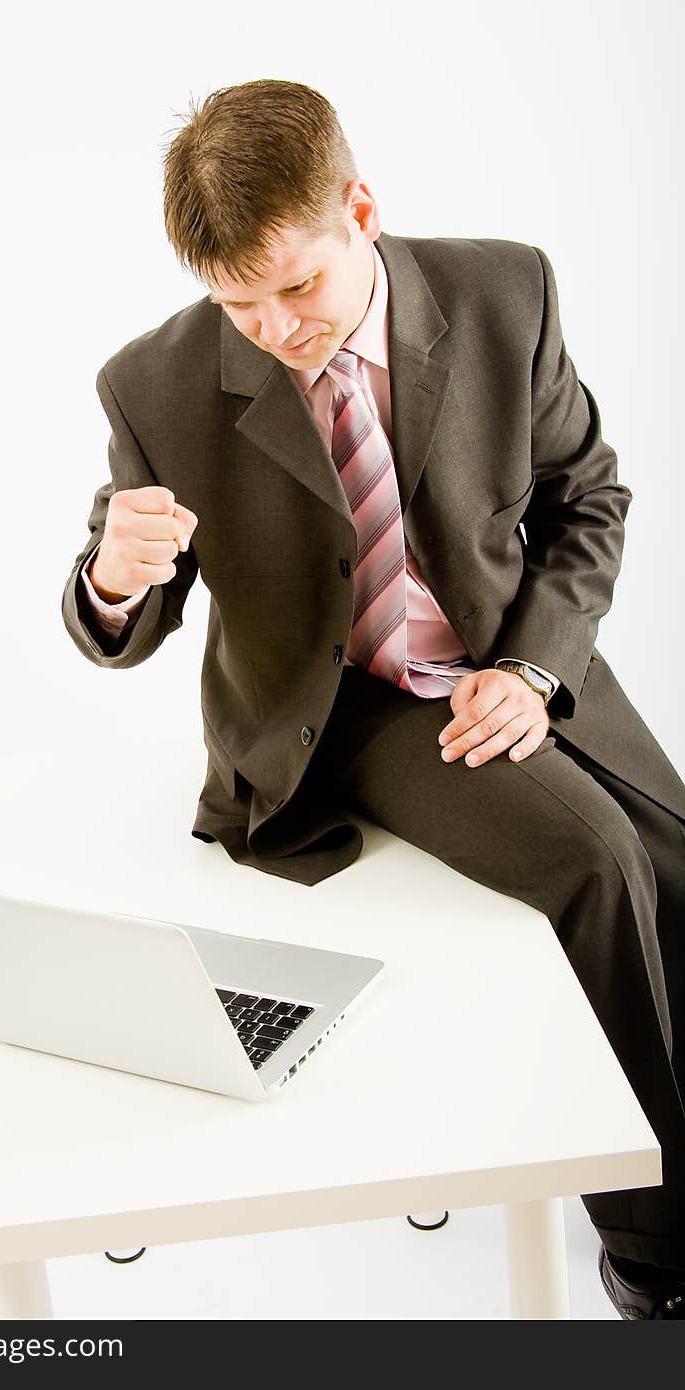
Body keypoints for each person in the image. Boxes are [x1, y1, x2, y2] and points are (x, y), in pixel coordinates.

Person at [61, 78, 685, 1318]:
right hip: (343, 706)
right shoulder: (154, 384)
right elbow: (122, 623)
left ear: (360, 209)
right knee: (596, 861)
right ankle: (657, 1246)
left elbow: (586, 500)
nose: (276, 327)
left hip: (511, 656)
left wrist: (533, 668)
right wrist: (110, 580)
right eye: (236, 303)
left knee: (678, 863)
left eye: (297, 287)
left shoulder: (506, 291)